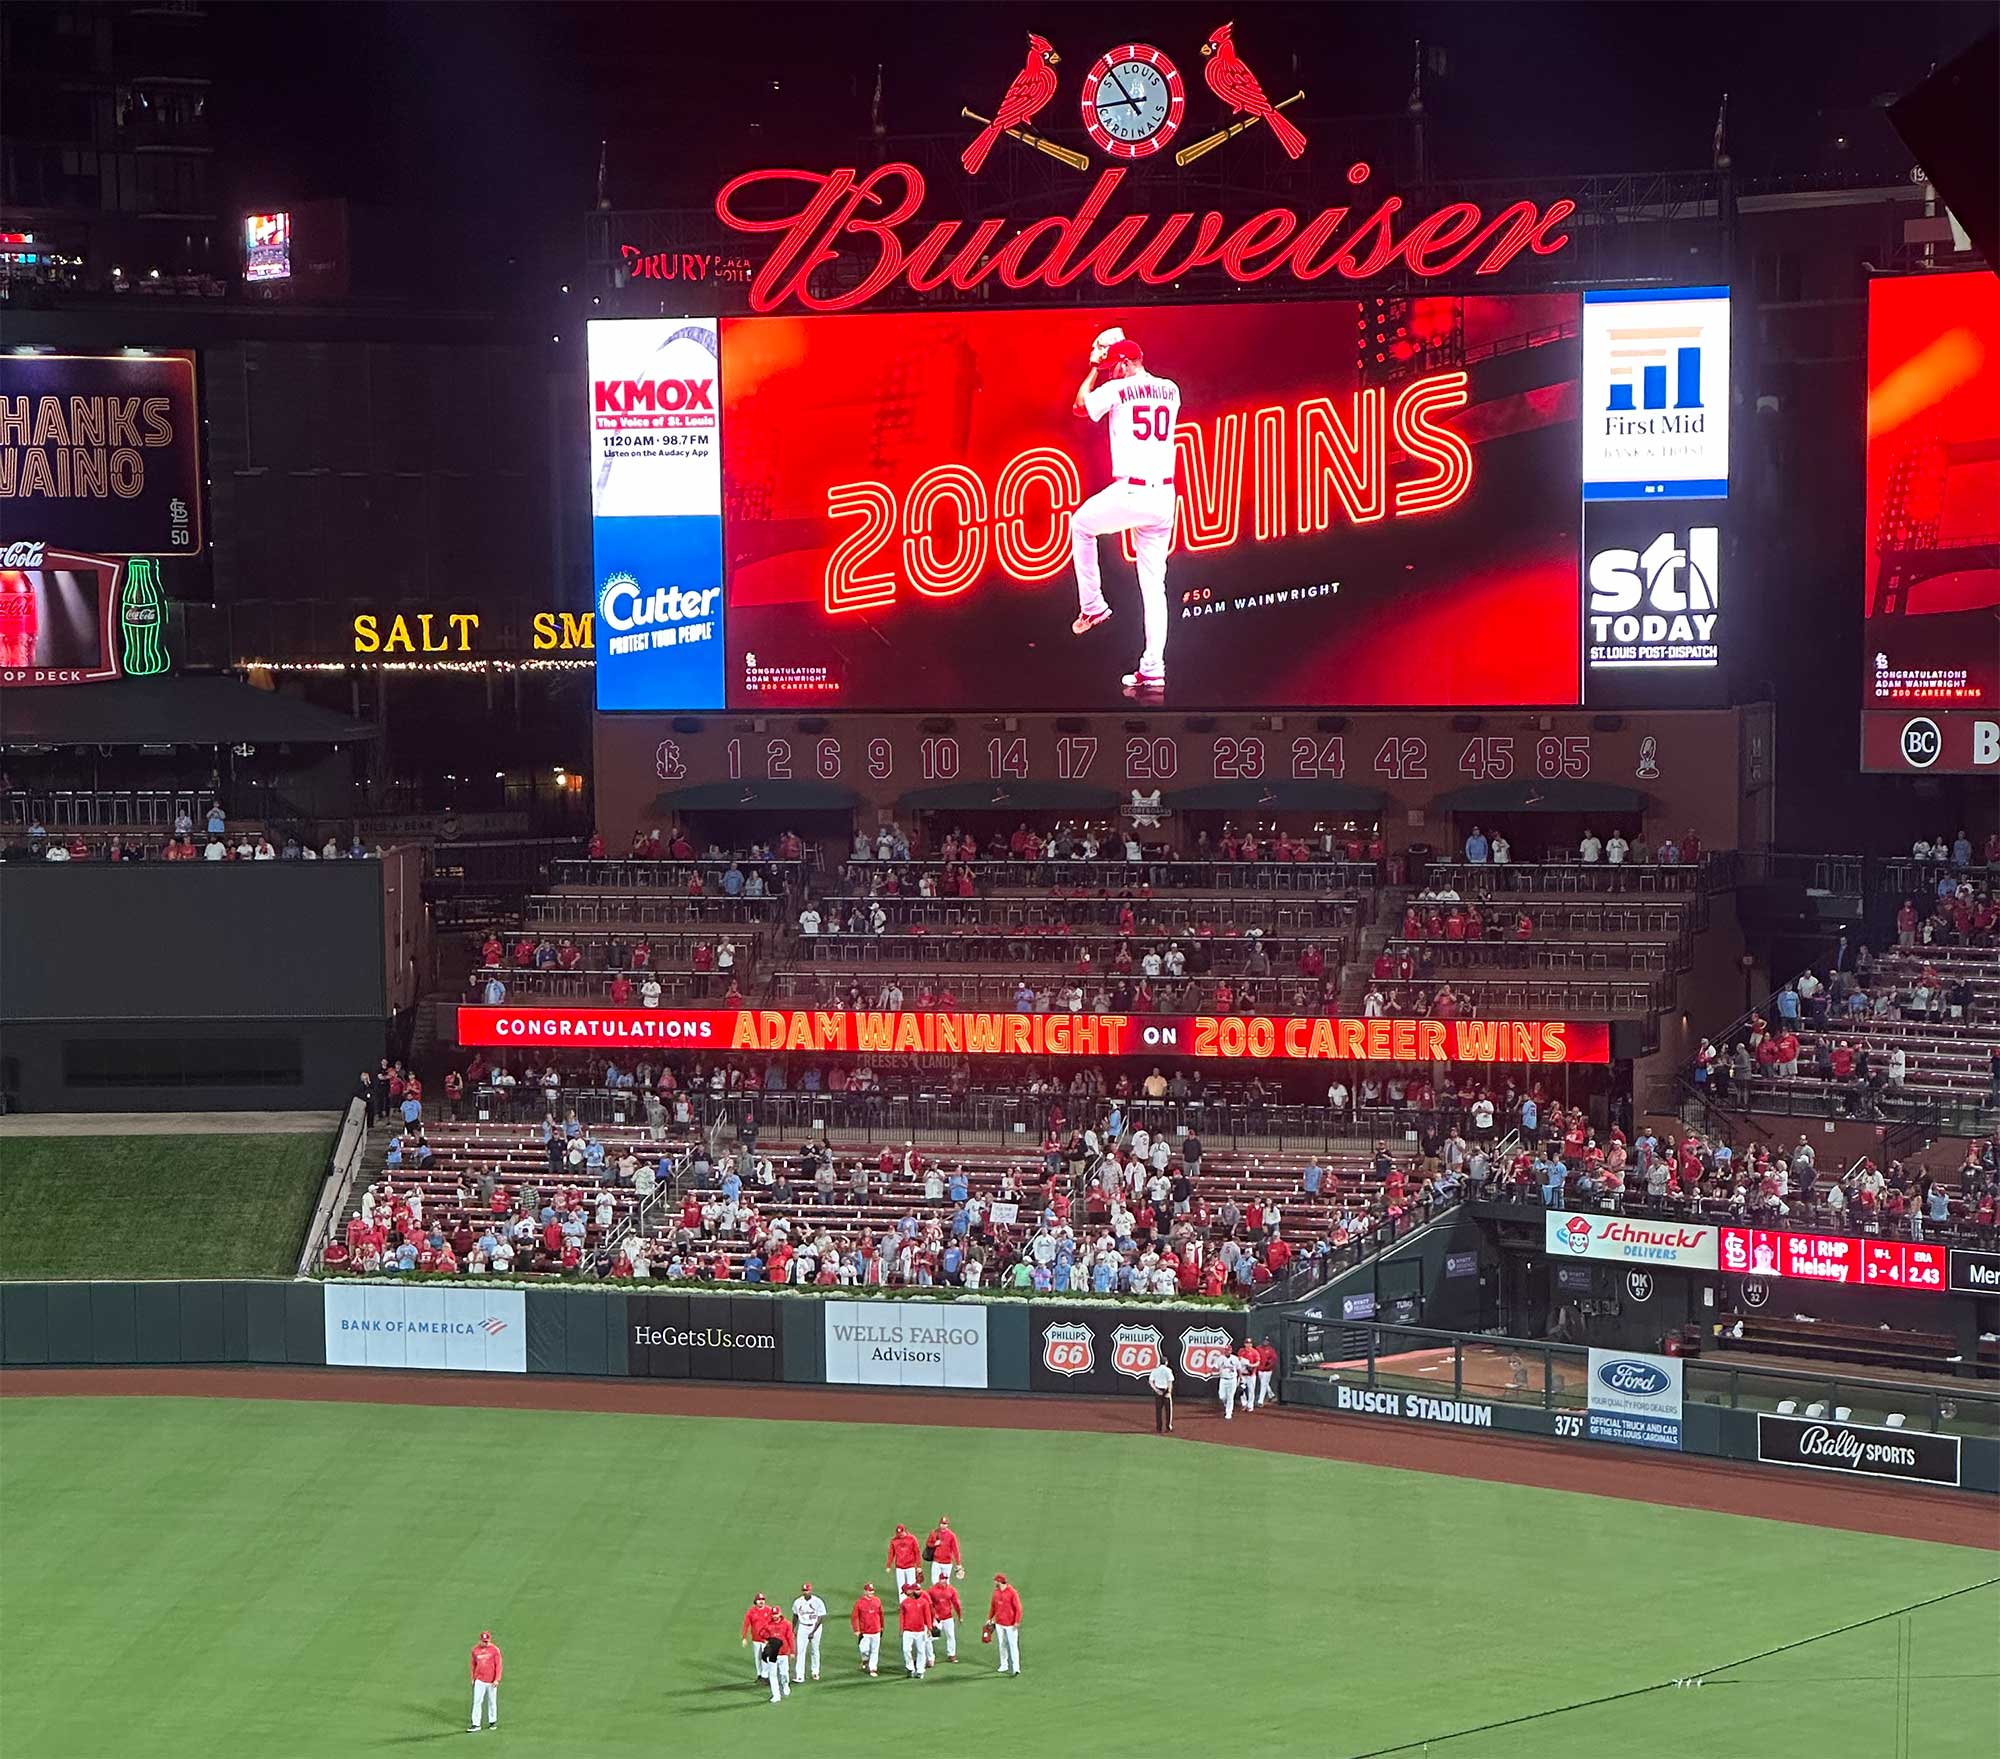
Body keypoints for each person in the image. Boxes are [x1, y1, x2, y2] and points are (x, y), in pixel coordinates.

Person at [1067, 330, 1182, 692]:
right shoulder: (1172, 388)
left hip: (1133, 491)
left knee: (1080, 525)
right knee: (1154, 588)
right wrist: (1112, 354)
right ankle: (1153, 668)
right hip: (1164, 497)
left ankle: (1094, 605)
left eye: (1117, 364)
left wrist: (1094, 371)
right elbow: (1142, 390)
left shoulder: (1116, 388)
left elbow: (1079, 406)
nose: (1113, 369)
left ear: (1125, 363)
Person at [788, 1582, 826, 1683]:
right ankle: (800, 1675)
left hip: (815, 1627)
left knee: (814, 1650)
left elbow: (821, 1617)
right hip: (803, 1627)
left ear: (811, 1590)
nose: (806, 1592)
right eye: (804, 1590)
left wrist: (813, 1631)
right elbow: (795, 1615)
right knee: (800, 1651)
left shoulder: (818, 1601)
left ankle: (815, 1671)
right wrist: (793, 1629)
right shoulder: (797, 1602)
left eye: (807, 1590)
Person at [987, 1573, 1023, 1675]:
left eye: (996, 1581)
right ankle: (1004, 1665)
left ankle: (1016, 1667)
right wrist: (990, 1618)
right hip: (999, 1623)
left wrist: (1017, 1621)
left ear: (1000, 1582)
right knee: (1002, 1644)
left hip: (1011, 1624)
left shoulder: (1012, 1593)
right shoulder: (996, 1593)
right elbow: (993, 1607)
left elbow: (1018, 1608)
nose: (995, 1583)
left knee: (1013, 1645)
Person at [468, 1630, 503, 1734]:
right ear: (480, 1640)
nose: (485, 1643)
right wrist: (473, 1678)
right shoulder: (475, 1650)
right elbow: (473, 1665)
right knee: (477, 1701)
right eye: (484, 1641)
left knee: (492, 1701)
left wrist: (497, 1679)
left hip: (492, 1681)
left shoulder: (495, 1650)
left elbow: (499, 1665)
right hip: (479, 1680)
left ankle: (492, 1721)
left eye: (487, 1641)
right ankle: (476, 1724)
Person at [897, 1581, 933, 1678]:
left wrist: (929, 1628)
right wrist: (901, 1628)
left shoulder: (923, 1602)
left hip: (920, 1631)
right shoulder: (904, 1603)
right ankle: (910, 1668)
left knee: (921, 1651)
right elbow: (902, 1617)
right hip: (908, 1631)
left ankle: (920, 1671)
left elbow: (927, 1616)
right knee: (906, 1650)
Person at [925, 1575, 963, 1664]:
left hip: (948, 1617)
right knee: (930, 1637)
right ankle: (930, 1658)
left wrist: (960, 1616)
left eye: (945, 1579)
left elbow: (956, 1603)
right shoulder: (932, 1590)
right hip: (936, 1618)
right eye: (942, 1579)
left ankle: (952, 1655)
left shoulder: (951, 1590)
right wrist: (933, 1616)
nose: (944, 1581)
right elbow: (928, 1604)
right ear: (939, 1580)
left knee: (951, 1635)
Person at [851, 1582, 885, 1676]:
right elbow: (854, 1617)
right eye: (869, 1591)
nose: (871, 1593)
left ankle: (873, 1668)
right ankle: (865, 1659)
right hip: (865, 1631)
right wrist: (856, 1629)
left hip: (876, 1630)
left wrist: (882, 1626)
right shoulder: (859, 1602)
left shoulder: (877, 1600)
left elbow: (881, 1614)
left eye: (872, 1591)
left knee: (875, 1650)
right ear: (865, 1591)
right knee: (864, 1649)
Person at [742, 1592, 776, 1683]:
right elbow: (746, 1624)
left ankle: (766, 1675)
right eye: (759, 1600)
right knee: (757, 1657)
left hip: (766, 1639)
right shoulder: (751, 1612)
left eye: (762, 1600)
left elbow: (775, 1623)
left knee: (765, 1657)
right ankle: (759, 1675)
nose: (761, 1601)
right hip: (756, 1639)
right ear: (755, 1601)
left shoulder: (769, 1610)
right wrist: (744, 1637)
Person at [765, 1612, 795, 1703]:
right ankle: (776, 1695)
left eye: (776, 1614)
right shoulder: (768, 1624)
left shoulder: (786, 1624)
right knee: (772, 1675)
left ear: (780, 1614)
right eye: (773, 1614)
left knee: (784, 1673)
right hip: (773, 1654)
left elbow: (790, 1637)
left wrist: (792, 1651)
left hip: (783, 1653)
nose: (774, 1616)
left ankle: (785, 1685)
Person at [925, 1515, 963, 1585]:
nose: (943, 1525)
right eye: (942, 1524)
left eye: (945, 1524)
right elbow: (928, 1544)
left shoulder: (951, 1535)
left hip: (947, 1563)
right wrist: (934, 1544)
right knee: (934, 1582)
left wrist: (958, 1564)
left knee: (946, 1583)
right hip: (936, 1562)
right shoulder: (934, 1533)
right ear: (939, 1524)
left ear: (947, 1525)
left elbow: (955, 1550)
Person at [887, 1522, 922, 1593]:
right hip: (899, 1567)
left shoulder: (912, 1539)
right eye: (898, 1533)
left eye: (901, 1533)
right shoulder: (894, 1540)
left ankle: (912, 1602)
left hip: (910, 1566)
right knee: (901, 1587)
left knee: (912, 1586)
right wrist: (888, 1565)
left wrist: (918, 1566)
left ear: (904, 1531)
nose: (900, 1535)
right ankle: (902, 1603)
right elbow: (891, 1553)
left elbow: (917, 1552)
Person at [1148, 1356, 1176, 1432]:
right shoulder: (1168, 1370)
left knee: (1158, 1411)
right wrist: (1169, 1392)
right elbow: (1170, 1381)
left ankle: (1159, 1428)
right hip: (1166, 1390)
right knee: (1168, 1410)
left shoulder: (1155, 1370)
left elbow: (1150, 1381)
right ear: (1166, 1362)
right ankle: (1168, 1427)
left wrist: (1156, 1390)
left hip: (1158, 1391)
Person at [1217, 1345, 1242, 1421]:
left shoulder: (1235, 1358)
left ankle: (1229, 1412)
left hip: (1232, 1379)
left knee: (1230, 1396)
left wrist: (1240, 1377)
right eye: (1225, 1350)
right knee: (1222, 1396)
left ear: (1231, 1351)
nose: (1227, 1351)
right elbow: (1216, 1367)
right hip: (1223, 1379)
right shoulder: (1220, 1358)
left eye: (1228, 1350)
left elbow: (1239, 1368)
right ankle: (1226, 1404)